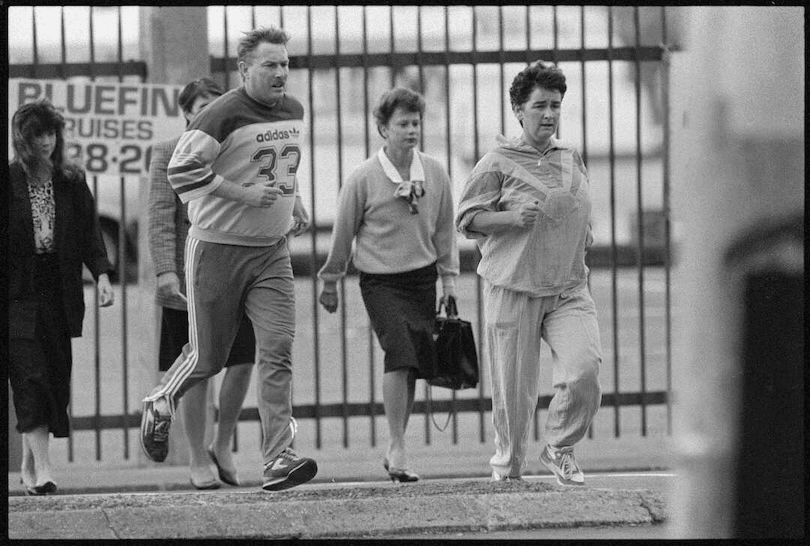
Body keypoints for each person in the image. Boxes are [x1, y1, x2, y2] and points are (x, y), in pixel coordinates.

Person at [139, 26, 317, 492]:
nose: (281, 73)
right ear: (244, 69)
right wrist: (243, 195)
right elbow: (181, 172)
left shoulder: (295, 110)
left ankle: (278, 457)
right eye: (270, 64)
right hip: (216, 249)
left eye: (285, 64)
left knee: (277, 349)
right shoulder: (220, 114)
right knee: (208, 357)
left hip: (271, 252)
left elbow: (279, 164)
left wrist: (294, 199)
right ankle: (160, 400)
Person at [455, 60, 602, 485]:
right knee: (514, 397)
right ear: (519, 110)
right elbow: (467, 219)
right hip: (513, 287)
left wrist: (581, 236)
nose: (549, 114)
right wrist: (511, 218)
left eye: (556, 105)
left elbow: (578, 209)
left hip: (568, 288)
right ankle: (508, 471)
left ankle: (559, 446)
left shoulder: (570, 157)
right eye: (540, 106)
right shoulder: (496, 162)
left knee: (584, 371)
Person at [318, 87, 459, 483]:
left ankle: (396, 443)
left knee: (411, 362)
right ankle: (397, 446)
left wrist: (449, 282)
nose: (411, 130)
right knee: (399, 352)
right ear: (383, 128)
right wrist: (330, 280)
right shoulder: (363, 178)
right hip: (380, 283)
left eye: (416, 123)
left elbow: (445, 231)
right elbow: (343, 233)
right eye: (402, 124)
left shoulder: (435, 173)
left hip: (422, 280)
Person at [148, 77, 256, 490]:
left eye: (215, 106)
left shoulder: (237, 150)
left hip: (235, 271)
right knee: (197, 367)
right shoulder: (168, 151)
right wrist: (166, 272)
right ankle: (196, 456)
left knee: (242, 360)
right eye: (200, 108)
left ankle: (222, 442)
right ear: (187, 113)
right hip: (189, 277)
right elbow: (160, 216)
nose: (208, 114)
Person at [8, 99, 115, 495]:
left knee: (54, 377)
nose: (46, 142)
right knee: (30, 377)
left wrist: (102, 275)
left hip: (58, 289)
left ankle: (29, 461)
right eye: (37, 135)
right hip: (17, 294)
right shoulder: (8, 181)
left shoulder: (71, 179)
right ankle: (45, 469)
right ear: (22, 140)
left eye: (51, 133)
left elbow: (89, 233)